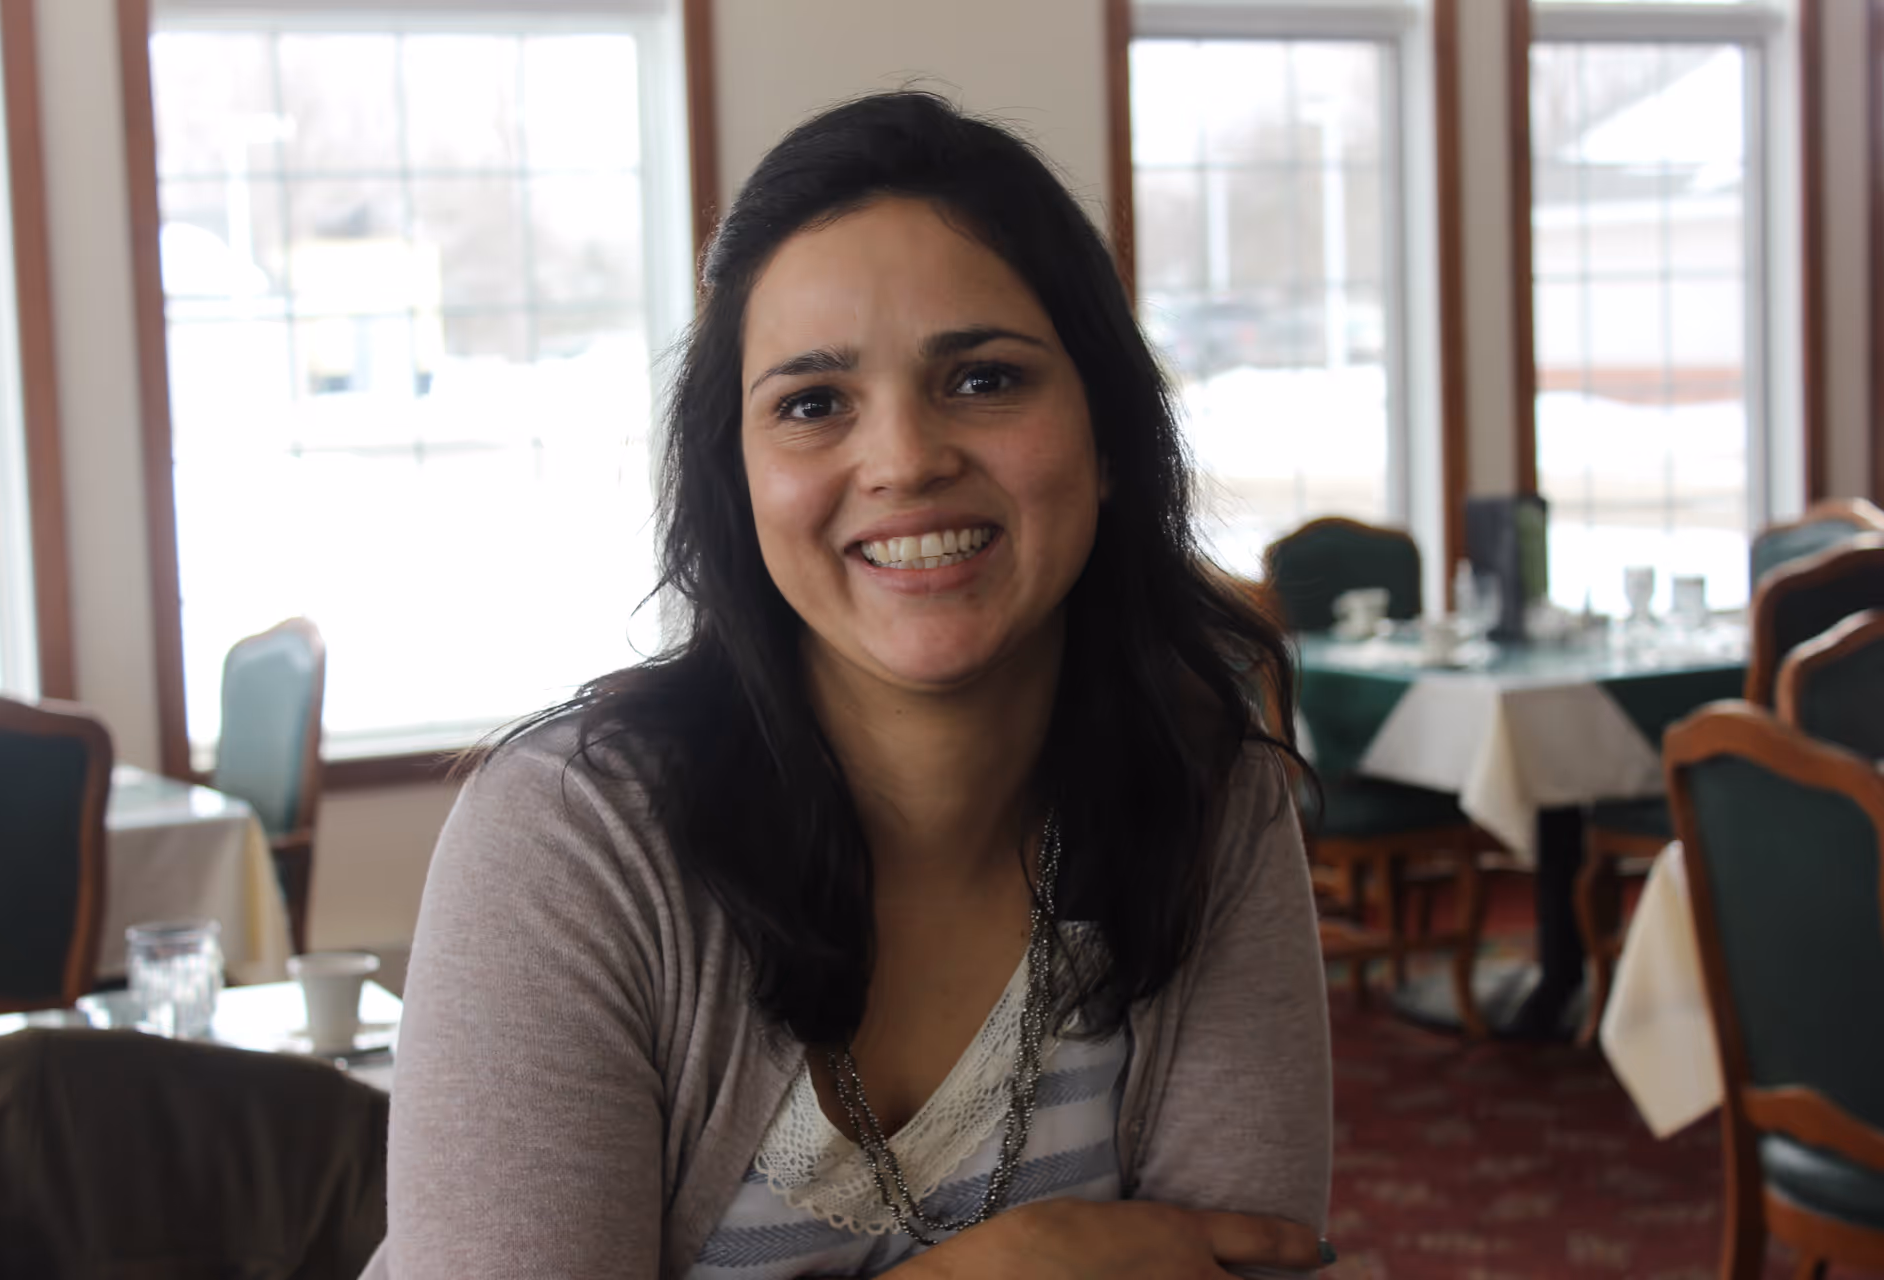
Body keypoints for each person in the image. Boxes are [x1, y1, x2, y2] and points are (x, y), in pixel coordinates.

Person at [365, 92, 1332, 1279]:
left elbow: (1261, 1262)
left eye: (983, 378)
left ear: (1114, 440)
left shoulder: (1209, 797)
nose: (905, 459)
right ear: (740, 480)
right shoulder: (569, 841)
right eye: (812, 403)